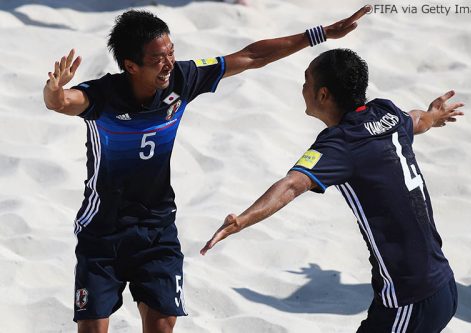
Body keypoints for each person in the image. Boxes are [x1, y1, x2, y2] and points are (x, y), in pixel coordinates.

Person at [42, 6, 370, 333]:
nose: (169, 63)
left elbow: (252, 56)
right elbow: (63, 102)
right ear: (131, 66)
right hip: (103, 233)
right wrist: (54, 91)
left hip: (156, 229)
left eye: (171, 52)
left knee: (162, 324)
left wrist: (321, 34)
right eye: (158, 58)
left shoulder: (180, 80)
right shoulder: (103, 96)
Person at [201, 48, 464, 332]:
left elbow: (291, 185)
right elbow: (416, 120)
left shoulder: (340, 144)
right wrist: (433, 115)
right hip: (440, 285)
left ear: (323, 95)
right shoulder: (386, 113)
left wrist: (241, 220)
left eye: (306, 82)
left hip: (411, 299)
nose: (302, 88)